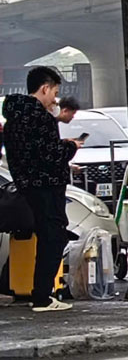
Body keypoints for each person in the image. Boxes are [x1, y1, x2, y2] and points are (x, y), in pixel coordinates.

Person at [1, 67, 81, 312]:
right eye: (54, 92)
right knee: (53, 236)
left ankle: (29, 291)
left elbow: (28, 153)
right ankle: (42, 297)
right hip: (47, 186)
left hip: (27, 185)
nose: (54, 99)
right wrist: (70, 147)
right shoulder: (41, 117)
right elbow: (50, 155)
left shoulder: (14, 118)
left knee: (40, 235)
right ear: (45, 88)